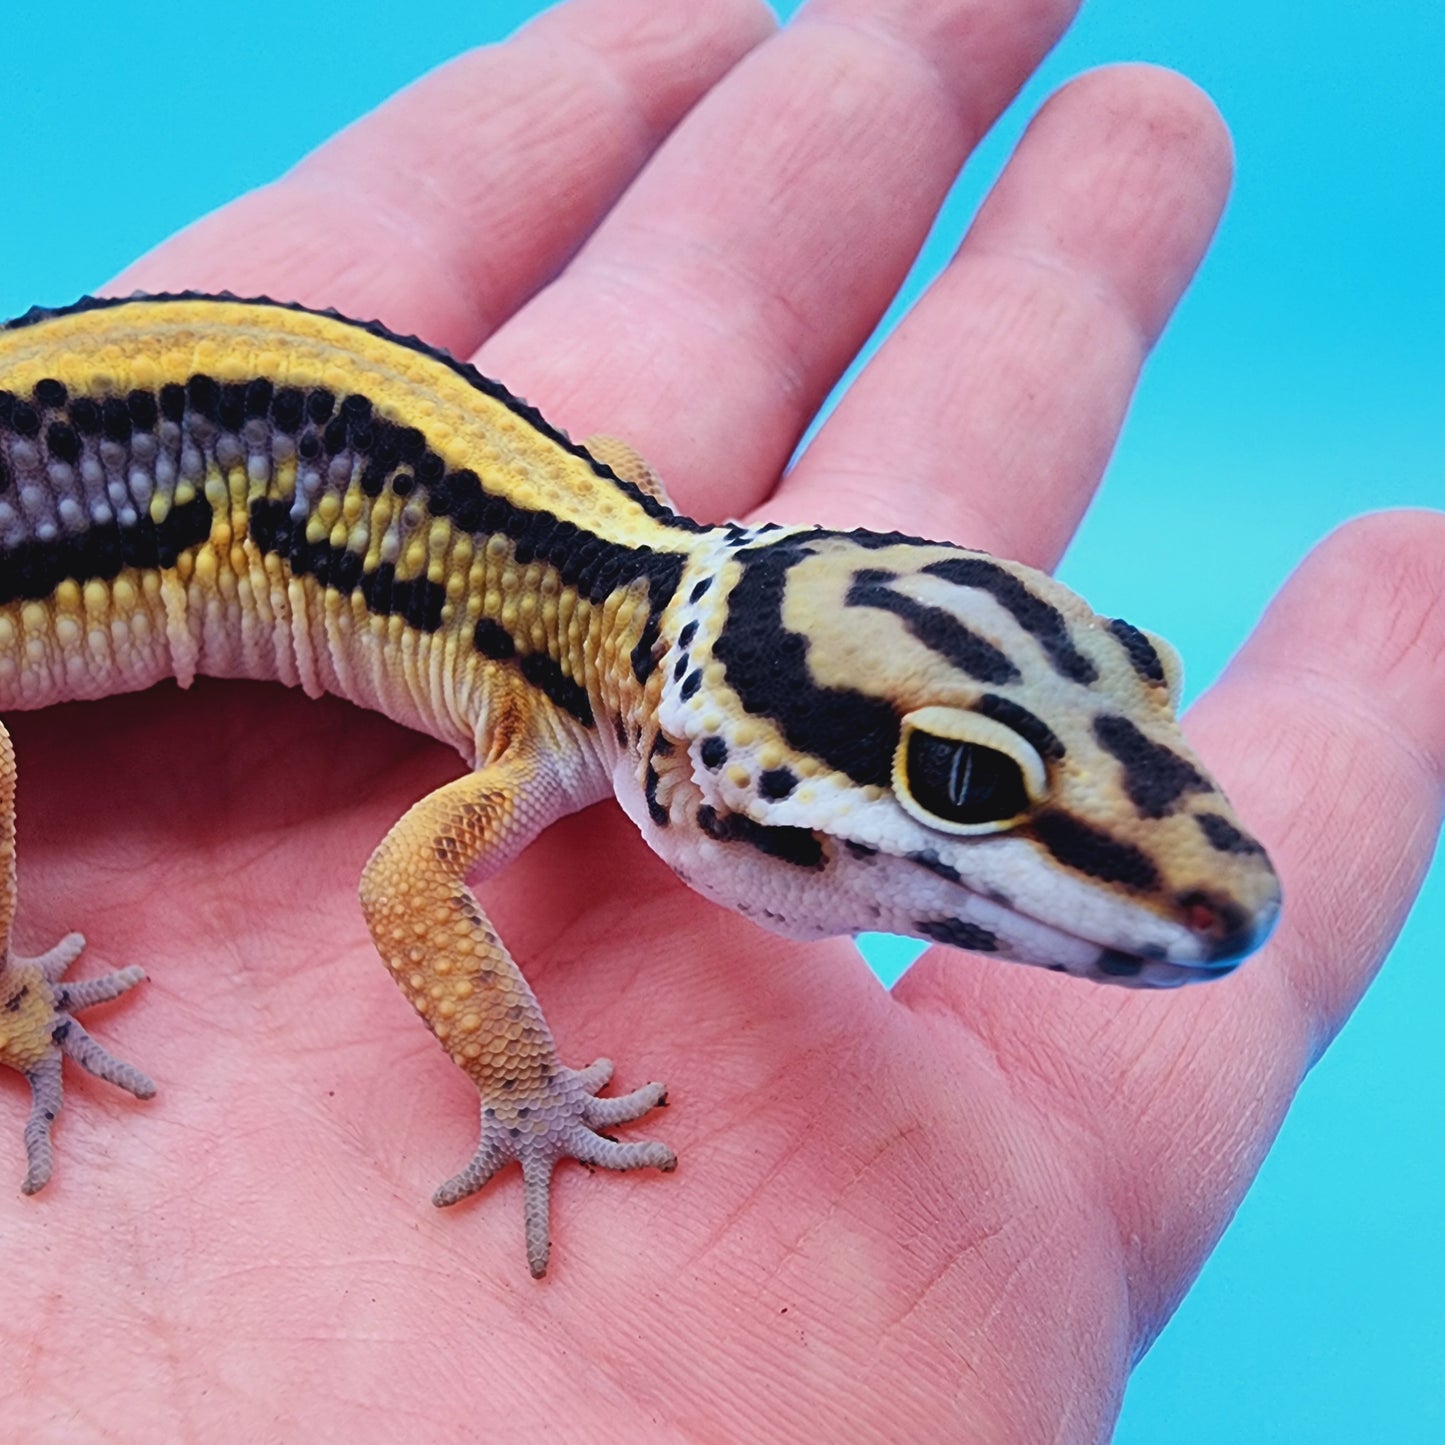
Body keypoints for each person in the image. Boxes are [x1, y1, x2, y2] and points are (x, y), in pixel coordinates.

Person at [3, 1, 1441, 1438]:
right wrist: (524, 1082)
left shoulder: (593, 625)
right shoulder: (556, 727)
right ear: (702, 756)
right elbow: (405, 882)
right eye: (960, 778)